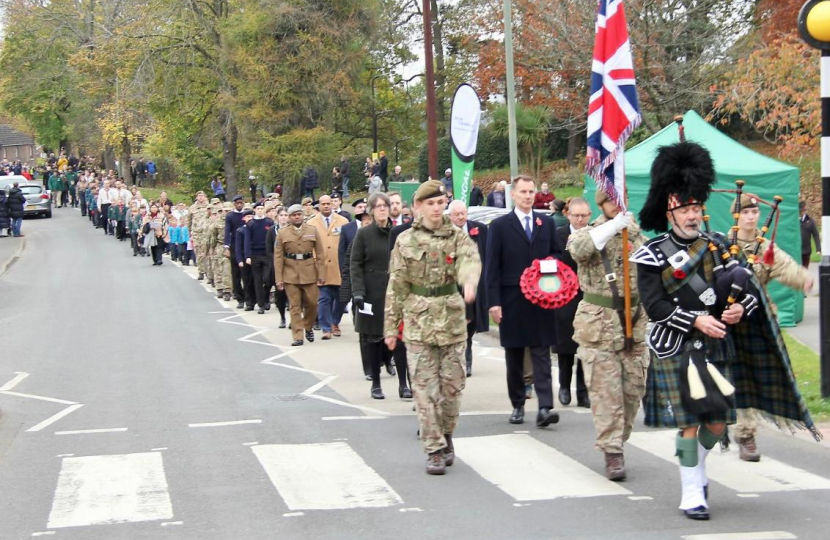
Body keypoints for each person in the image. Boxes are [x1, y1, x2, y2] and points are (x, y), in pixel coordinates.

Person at [634, 141, 819, 521]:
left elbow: (748, 291)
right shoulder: (652, 253)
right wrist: (695, 319)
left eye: (696, 208)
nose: (692, 215)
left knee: (717, 421)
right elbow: (654, 306)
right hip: (677, 345)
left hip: (717, 343)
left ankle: (696, 466)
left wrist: (738, 311)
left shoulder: (720, 245)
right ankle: (692, 490)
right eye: (685, 209)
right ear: (669, 210)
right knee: (689, 419)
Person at [384, 180, 481, 474]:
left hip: (451, 320)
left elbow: (470, 260)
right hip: (418, 323)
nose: (437, 208)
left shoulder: (457, 236)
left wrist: (468, 281)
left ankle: (447, 433)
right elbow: (396, 286)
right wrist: (390, 327)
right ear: (419, 207)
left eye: (441, 203)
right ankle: (434, 448)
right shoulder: (405, 241)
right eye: (431, 203)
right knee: (425, 392)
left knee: (452, 389)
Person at [567, 191, 648, 480]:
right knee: (605, 392)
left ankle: (619, 438)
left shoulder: (638, 237)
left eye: (622, 197)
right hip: (598, 326)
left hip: (633, 325)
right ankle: (612, 450)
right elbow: (580, 250)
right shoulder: (586, 233)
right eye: (613, 198)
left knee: (632, 392)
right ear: (601, 204)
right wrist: (614, 226)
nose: (619, 202)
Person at [732, 193, 814, 461]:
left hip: (759, 319)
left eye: (754, 213)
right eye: (746, 213)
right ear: (737, 216)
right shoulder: (724, 245)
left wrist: (804, 279)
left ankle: (750, 430)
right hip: (730, 321)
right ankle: (734, 430)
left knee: (757, 376)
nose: (751, 217)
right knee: (734, 377)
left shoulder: (764, 247)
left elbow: (785, 267)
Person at [486, 175, 560, 427]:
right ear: (513, 195)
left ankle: (545, 407)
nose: (528, 196)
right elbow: (492, 267)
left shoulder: (545, 223)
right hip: (512, 298)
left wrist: (548, 265)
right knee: (515, 355)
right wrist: (493, 302)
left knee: (541, 352)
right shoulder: (499, 226)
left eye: (531, 191)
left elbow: (556, 253)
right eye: (523, 192)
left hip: (541, 298)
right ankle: (518, 404)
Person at [351, 193, 410, 398]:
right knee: (374, 340)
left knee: (401, 340)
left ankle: (404, 384)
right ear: (371, 210)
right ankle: (376, 383)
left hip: (397, 292)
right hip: (372, 293)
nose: (383, 209)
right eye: (378, 206)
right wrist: (358, 292)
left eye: (385, 205)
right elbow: (355, 264)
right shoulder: (364, 234)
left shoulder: (400, 232)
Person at [552, 198, 591, 410]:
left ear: (589, 216)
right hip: (565, 295)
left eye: (583, 216)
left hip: (588, 295)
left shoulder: (594, 234)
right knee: (566, 345)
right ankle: (564, 385)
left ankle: (583, 392)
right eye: (576, 215)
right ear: (568, 214)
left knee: (586, 345)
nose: (579, 219)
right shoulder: (558, 234)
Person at [274, 204, 325, 346]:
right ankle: (298, 336)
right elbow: (278, 257)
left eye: (299, 214)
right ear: (289, 217)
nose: (297, 217)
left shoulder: (312, 230)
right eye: (294, 215)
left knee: (312, 303)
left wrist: (321, 274)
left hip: (309, 272)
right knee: (295, 306)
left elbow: (320, 254)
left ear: (302, 215)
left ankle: (308, 326)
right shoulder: (283, 233)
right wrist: (279, 279)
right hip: (290, 273)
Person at [448, 200, 489, 377]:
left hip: (475, 284)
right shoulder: (444, 233)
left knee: (471, 323)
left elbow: (487, 253)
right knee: (460, 323)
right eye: (456, 214)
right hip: (453, 286)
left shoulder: (479, 229)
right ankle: (462, 357)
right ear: (450, 216)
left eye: (463, 213)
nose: (460, 217)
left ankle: (467, 353)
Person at [310, 195, 349, 338]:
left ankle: (335, 322)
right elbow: (310, 245)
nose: (326, 206)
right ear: (319, 206)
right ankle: (326, 328)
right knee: (324, 298)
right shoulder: (312, 223)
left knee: (341, 298)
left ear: (333, 204)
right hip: (321, 267)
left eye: (328, 203)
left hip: (339, 267)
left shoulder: (343, 221)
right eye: (323, 204)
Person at [243, 202, 275, 313]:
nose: (260, 210)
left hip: (267, 254)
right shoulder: (251, 224)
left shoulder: (269, 222)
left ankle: (266, 297)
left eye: (262, 208)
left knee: (268, 279)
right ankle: (261, 304)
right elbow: (247, 240)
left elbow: (273, 239)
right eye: (258, 208)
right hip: (255, 255)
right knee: (257, 280)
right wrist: (247, 255)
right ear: (255, 210)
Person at [267, 206, 290, 328]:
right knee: (280, 293)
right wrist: (276, 261)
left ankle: (293, 318)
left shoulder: (292, 229)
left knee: (293, 293)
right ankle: (282, 317)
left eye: (286, 215)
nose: (283, 218)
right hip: (278, 266)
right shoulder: (272, 230)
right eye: (281, 215)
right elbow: (269, 249)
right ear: (277, 217)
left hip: (292, 265)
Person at [225, 195, 247, 308]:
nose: (239, 205)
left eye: (241, 203)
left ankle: (248, 297)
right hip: (234, 247)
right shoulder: (230, 216)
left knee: (247, 274)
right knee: (236, 274)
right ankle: (239, 298)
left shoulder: (247, 214)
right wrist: (226, 247)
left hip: (247, 247)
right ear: (234, 204)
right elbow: (227, 232)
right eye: (237, 203)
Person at [187, 191, 211, 281]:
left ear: (205, 197)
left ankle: (209, 272)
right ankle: (201, 271)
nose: (201, 197)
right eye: (199, 196)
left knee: (207, 253)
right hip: (197, 233)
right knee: (199, 252)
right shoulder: (192, 208)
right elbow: (189, 220)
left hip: (207, 232)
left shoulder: (209, 207)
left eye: (202, 196)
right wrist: (189, 231)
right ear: (196, 197)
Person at [800, 200, 820, 267]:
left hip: (806, 251)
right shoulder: (794, 221)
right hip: (796, 251)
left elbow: (816, 235)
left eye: (802, 211)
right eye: (800, 211)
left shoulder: (811, 221)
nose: (801, 212)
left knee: (804, 270)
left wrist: (818, 249)